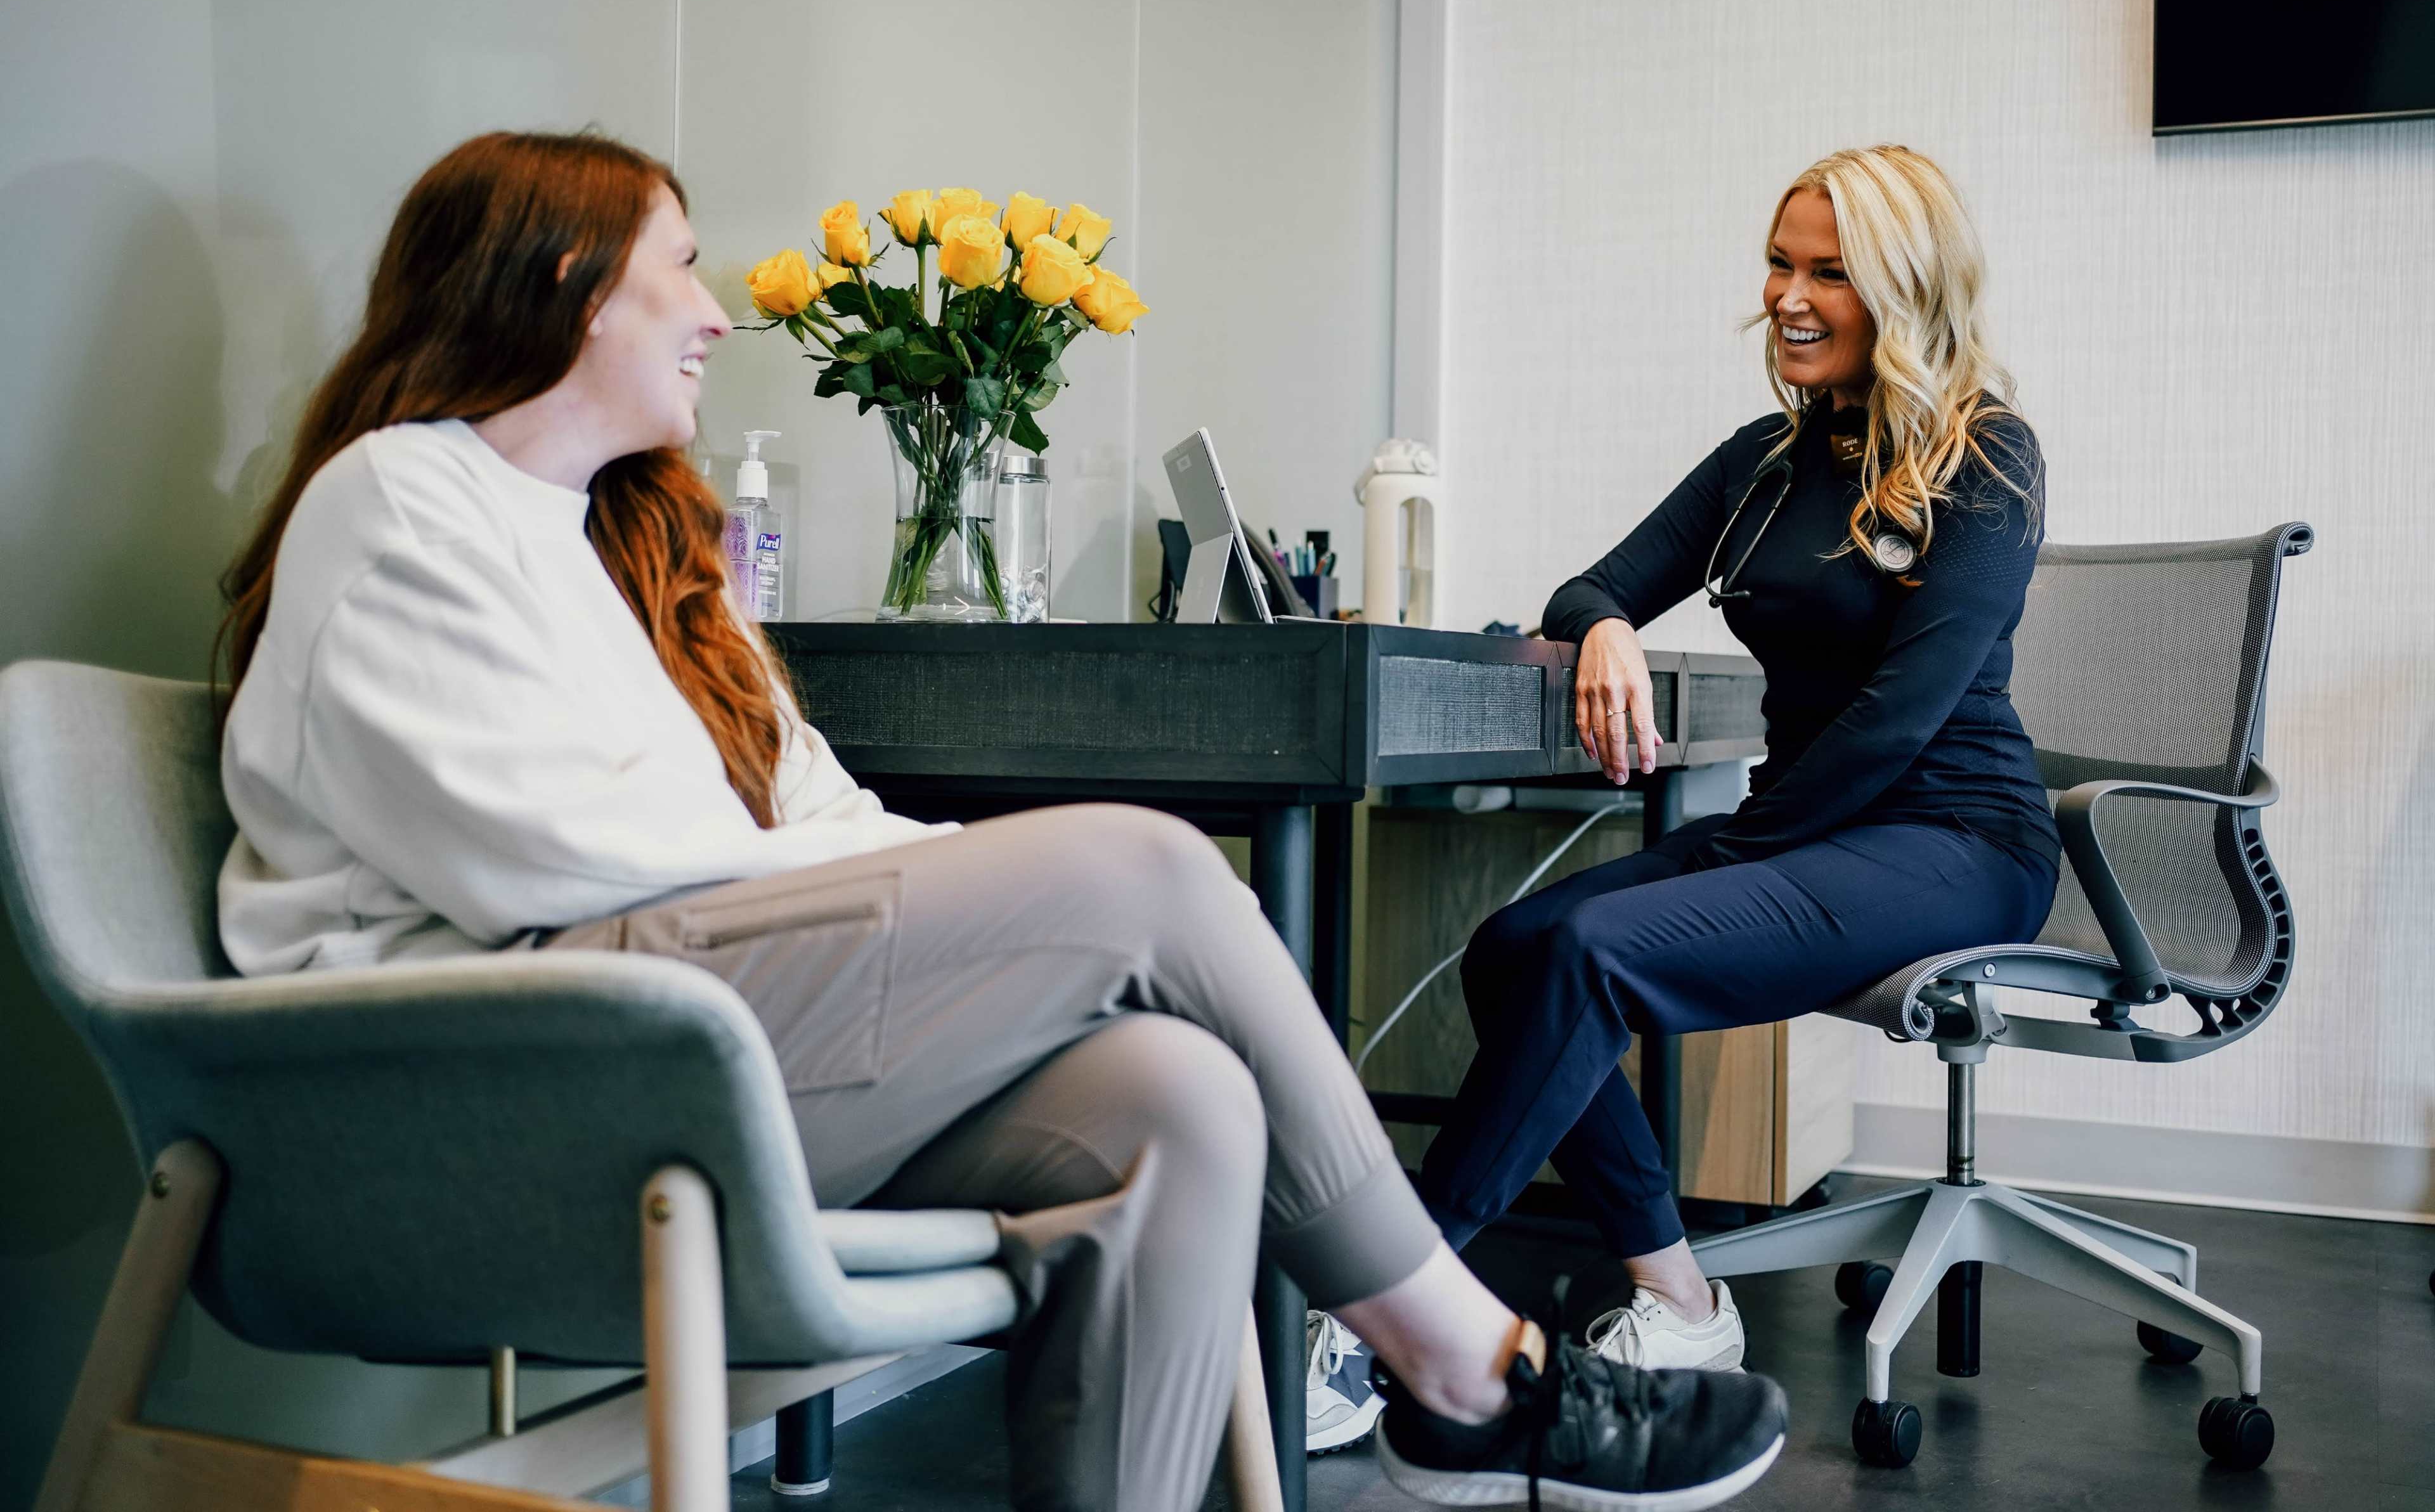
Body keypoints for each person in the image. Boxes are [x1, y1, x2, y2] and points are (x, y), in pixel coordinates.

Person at [212, 131, 1784, 1512]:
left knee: (1179, 1096)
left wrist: (945, 898)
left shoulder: (637, 548)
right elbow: (540, 853)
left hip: (700, 1019)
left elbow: (812, 807)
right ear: (566, 283)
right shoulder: (396, 499)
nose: (715, 313)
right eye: (681, 271)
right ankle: (1463, 1362)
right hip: (517, 1067)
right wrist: (971, 896)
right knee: (1148, 867)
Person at [1412, 146, 2060, 1374]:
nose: (1789, 296)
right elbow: (1597, 582)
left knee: (1593, 949)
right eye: (1779, 263)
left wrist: (1731, 858)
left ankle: (1398, 1302)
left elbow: (1897, 719)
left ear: (1908, 290)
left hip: (1955, 838)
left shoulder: (1987, 456)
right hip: (1812, 822)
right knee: (1512, 948)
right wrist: (1603, 625)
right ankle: (1686, 1301)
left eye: (1833, 272)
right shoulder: (1766, 459)